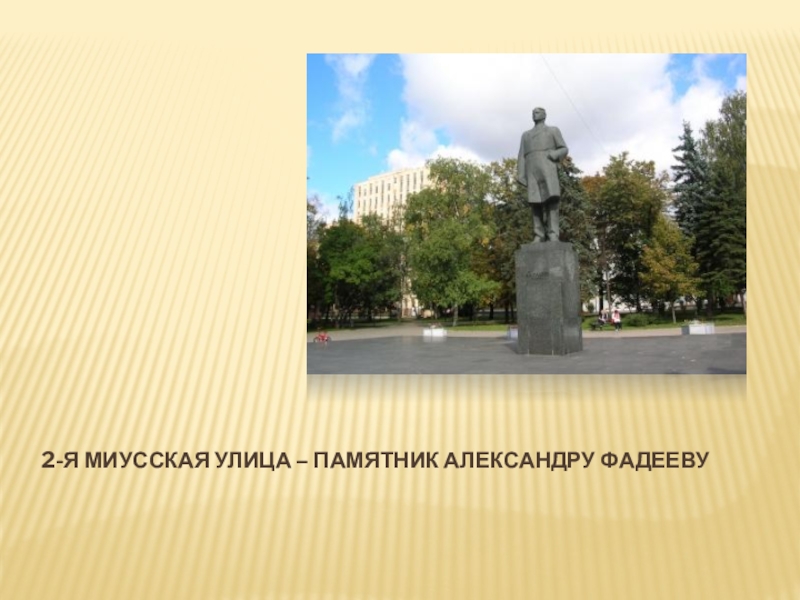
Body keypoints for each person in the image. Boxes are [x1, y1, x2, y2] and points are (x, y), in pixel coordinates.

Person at [516, 107, 569, 242]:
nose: (534, 114)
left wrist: (555, 154)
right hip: (532, 171)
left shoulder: (552, 130)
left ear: (544, 115)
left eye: (538, 112)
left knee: (552, 201)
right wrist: (520, 174)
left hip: (548, 168)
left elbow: (564, 148)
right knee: (535, 203)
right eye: (533, 112)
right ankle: (538, 234)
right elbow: (521, 155)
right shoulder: (526, 135)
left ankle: (553, 234)